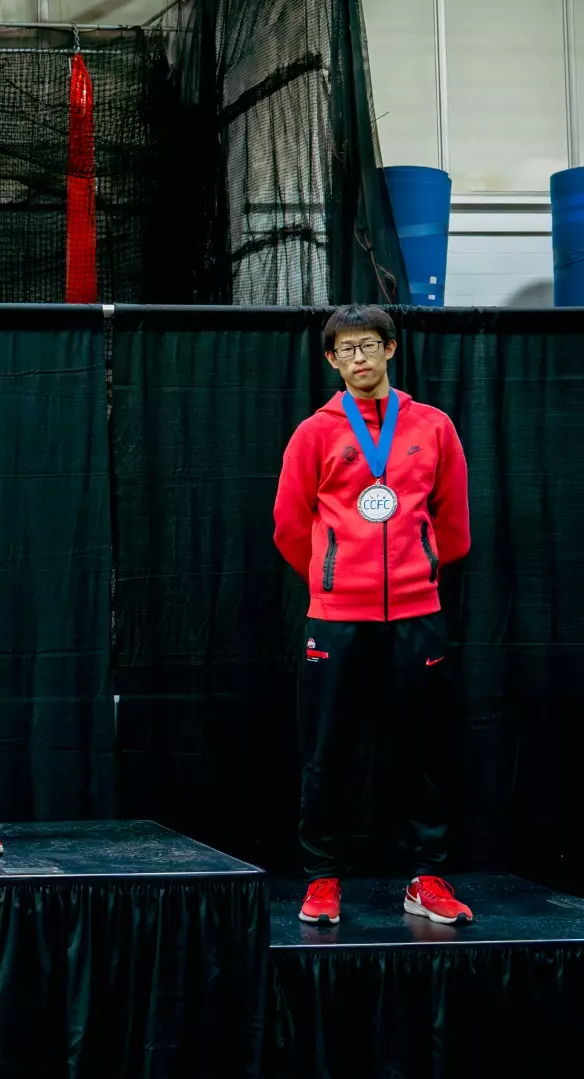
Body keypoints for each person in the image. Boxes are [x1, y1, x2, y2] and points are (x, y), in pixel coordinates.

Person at [275, 304, 473, 926]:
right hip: (337, 615)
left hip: (418, 613)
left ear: (391, 350)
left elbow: (455, 523)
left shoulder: (434, 426)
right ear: (332, 361)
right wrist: (333, 579)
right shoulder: (315, 432)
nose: (359, 357)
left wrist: (419, 569)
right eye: (346, 350)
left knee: (424, 748)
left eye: (369, 345)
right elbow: (289, 525)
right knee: (327, 750)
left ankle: (427, 877)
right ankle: (323, 879)